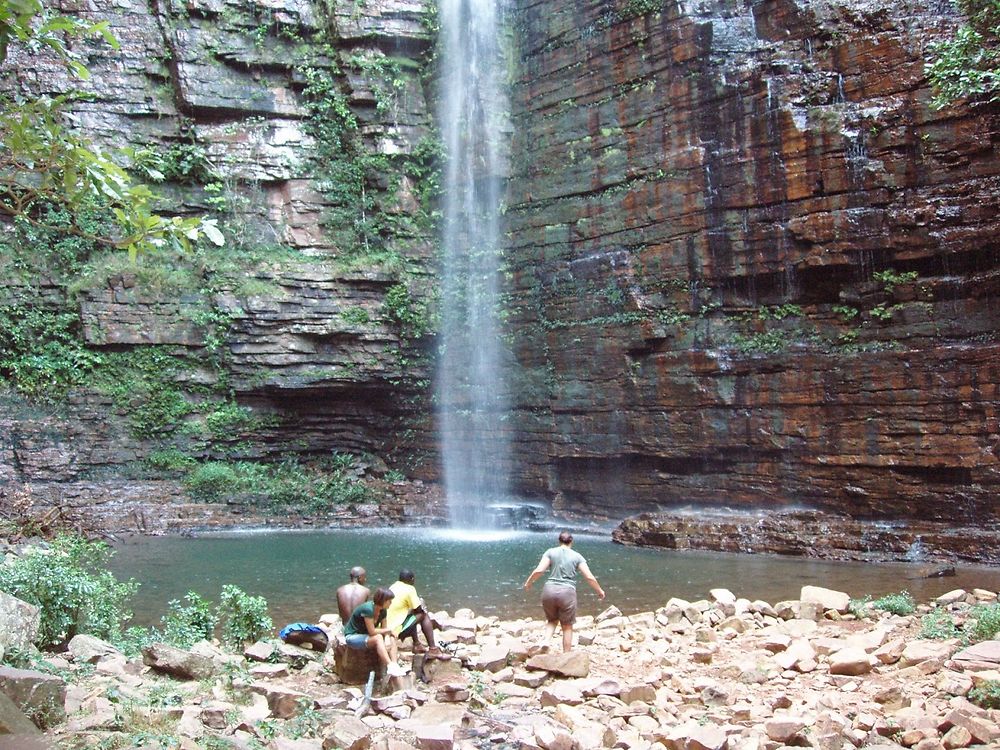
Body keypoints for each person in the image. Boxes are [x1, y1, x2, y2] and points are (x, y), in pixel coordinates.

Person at [523, 531, 605, 652]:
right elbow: (589, 576)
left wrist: (529, 582)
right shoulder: (577, 556)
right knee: (567, 626)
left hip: (549, 590)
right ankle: (566, 655)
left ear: (559, 541)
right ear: (571, 541)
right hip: (567, 592)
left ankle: (546, 640)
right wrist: (599, 590)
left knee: (552, 620)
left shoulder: (550, 552)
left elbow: (539, 570)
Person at [386, 569, 449, 659]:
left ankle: (417, 645)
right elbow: (419, 610)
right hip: (395, 630)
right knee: (423, 616)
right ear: (411, 579)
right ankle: (433, 649)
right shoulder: (410, 588)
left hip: (385, 628)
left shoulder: (393, 586)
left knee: (412, 616)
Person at [343, 587, 406, 676]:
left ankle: (395, 665)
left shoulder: (383, 611)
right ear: (383, 600)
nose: (391, 603)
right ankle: (390, 665)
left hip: (366, 636)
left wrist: (388, 638)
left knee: (392, 637)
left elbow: (385, 628)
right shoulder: (368, 609)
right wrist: (388, 630)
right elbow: (372, 632)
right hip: (353, 636)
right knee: (378, 638)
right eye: (389, 601)